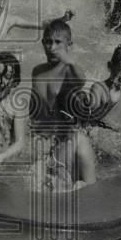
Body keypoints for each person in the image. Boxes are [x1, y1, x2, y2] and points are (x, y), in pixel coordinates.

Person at [29, 19, 96, 191]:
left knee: (66, 184)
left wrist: (70, 60)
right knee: (34, 184)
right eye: (48, 42)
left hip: (64, 138)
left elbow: (81, 81)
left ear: (69, 45)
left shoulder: (68, 71)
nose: (52, 47)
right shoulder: (37, 71)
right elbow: (33, 107)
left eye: (58, 42)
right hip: (42, 137)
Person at [85, 45, 121, 139]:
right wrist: (111, 101)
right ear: (110, 67)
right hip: (96, 134)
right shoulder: (99, 88)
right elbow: (90, 116)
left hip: (116, 141)